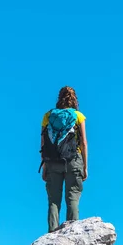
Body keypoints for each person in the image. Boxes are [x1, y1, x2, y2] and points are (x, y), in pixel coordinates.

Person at [40, 87, 88, 232]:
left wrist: (45, 166)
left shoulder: (48, 116)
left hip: (52, 161)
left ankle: (52, 233)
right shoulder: (78, 116)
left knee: (54, 201)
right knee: (72, 197)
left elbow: (43, 143)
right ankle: (72, 233)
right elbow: (84, 142)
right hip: (73, 160)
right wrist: (85, 166)